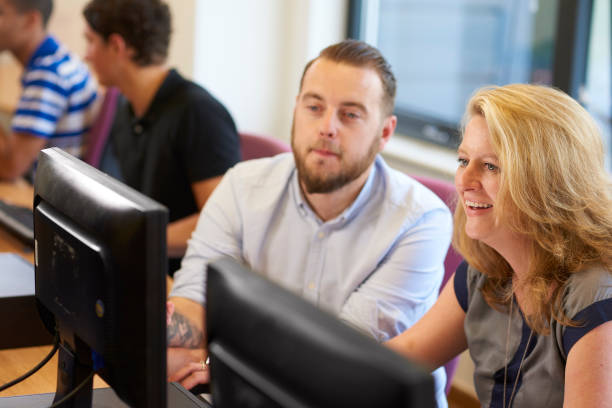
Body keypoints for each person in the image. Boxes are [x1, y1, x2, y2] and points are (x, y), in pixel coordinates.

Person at [167, 39, 453, 407]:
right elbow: (195, 300)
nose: (326, 127)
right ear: (296, 111)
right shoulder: (240, 186)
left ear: (385, 133)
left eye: (350, 114)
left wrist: (224, 363)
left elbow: (341, 358)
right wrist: (166, 326)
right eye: (314, 107)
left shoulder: (420, 221)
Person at [387, 84, 612, 407]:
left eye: (491, 166)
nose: (465, 181)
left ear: (547, 182)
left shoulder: (596, 296)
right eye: (464, 160)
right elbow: (399, 361)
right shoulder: (486, 269)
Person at [82, 0, 241, 270]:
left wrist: (139, 242)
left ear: (117, 46)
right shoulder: (127, 108)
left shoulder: (198, 112)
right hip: (147, 266)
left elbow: (224, 221)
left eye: (91, 41)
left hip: (184, 279)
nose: (86, 54)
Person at [0, 0, 98, 181]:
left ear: (30, 20)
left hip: (46, 198)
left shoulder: (47, 75)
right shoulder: (58, 58)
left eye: (0, 13)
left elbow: (10, 168)